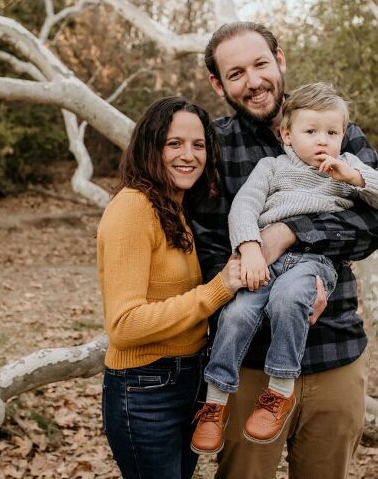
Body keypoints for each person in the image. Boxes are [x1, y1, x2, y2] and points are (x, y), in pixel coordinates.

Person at [188, 22, 378, 479]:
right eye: (236, 73)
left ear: (279, 60)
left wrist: (290, 232)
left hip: (334, 350)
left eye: (261, 64)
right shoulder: (215, 147)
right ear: (218, 84)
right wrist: (250, 260)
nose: (254, 80)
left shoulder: (338, 133)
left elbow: (377, 224)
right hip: (250, 360)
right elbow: (205, 243)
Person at [97, 96, 244, 479]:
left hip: (188, 381)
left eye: (198, 145)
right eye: (174, 143)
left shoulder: (174, 206)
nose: (189, 155)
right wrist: (218, 289)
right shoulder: (133, 208)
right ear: (151, 147)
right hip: (145, 391)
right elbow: (124, 325)